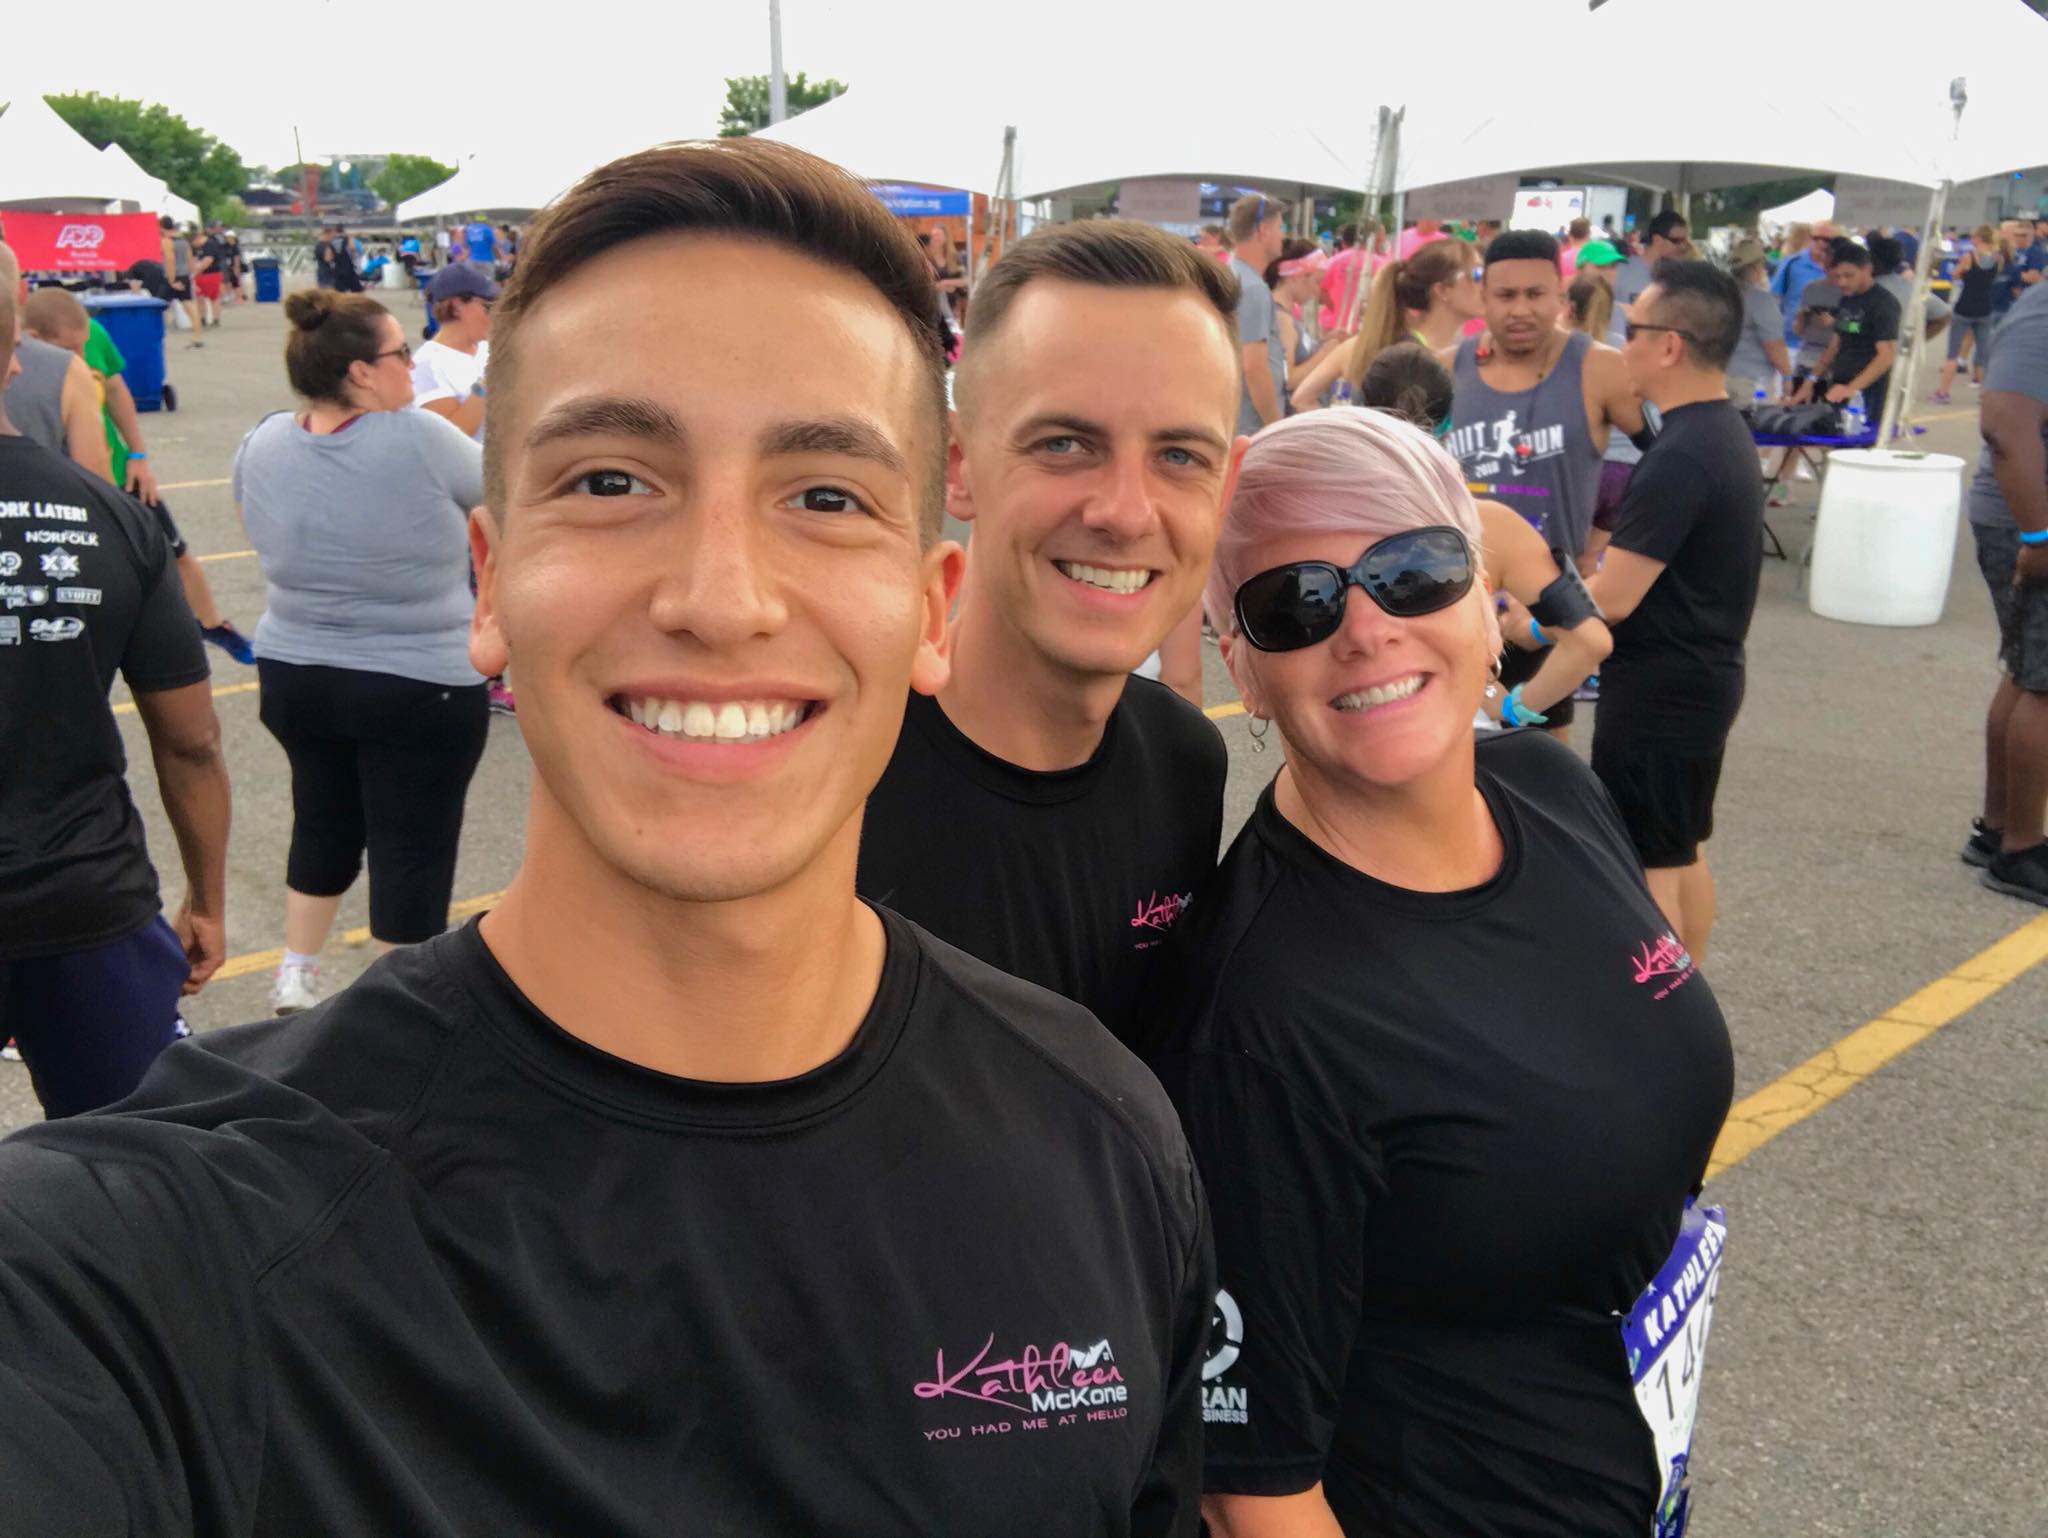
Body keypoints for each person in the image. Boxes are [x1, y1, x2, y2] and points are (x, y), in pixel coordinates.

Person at [0, 137, 1212, 1535]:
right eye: (613, 480)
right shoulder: (156, 1268)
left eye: (824, 495)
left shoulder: (1109, 1149)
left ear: (932, 608)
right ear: (494, 578)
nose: (720, 595)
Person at [1145, 406, 1734, 1538]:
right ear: (1244, 674)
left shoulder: (1549, 792)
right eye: (1295, 603)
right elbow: (1251, 1486)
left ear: (1486, 601)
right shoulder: (1261, 1016)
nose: (1364, 628)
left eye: (1411, 568)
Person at [858, 219, 1239, 1047]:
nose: (1125, 512)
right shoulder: (832, 777)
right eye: (1065, 444)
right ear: (955, 464)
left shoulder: (1184, 762)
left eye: (1179, 456)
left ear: (1225, 485)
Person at [0, 281, 232, 1119]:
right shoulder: (113, 519)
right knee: (136, 1175)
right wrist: (206, 900)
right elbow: (191, 740)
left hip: (87, 904)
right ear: (16, 356)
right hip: (86, 896)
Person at [236, 290, 492, 1014]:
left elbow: (249, 518)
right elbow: (505, 500)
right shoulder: (418, 436)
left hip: (295, 668)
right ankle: (398, 1009)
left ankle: (295, 971)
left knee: (321, 815)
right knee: (412, 840)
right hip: (417, 677)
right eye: (399, 354)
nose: (411, 365)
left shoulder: (263, 439)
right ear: (361, 372)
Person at [1588, 260, 1764, 962]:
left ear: (1670, 345)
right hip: (1702, 678)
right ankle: (1687, 988)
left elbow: (1614, 594)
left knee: (1645, 863)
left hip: (1659, 687)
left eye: (1631, 330)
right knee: (1680, 846)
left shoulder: (1680, 453)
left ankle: (1659, 1008)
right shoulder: (1719, 432)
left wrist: (1530, 617)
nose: (1621, 345)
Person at [1445, 229, 1645, 736]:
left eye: (1535, 294)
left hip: (1546, 616)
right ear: (1483, 297)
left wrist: (1609, 548)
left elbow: (1666, 471)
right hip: (1455, 613)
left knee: (1538, 780)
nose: (1520, 309)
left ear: (1561, 295)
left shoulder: (1599, 368)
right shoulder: (1449, 368)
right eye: (1506, 295)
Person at [1359, 340, 1613, 722]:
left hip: (1354, 742)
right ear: (1449, 424)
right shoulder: (1491, 526)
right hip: (1460, 752)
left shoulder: (1320, 526)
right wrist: (1509, 705)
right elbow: (1589, 640)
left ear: (1361, 417)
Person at [19, 284, 255, 665]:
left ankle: (211, 624)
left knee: (174, 553)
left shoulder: (87, 334)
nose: (78, 359)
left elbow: (116, 391)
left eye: (82, 348)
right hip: (67, 493)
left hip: (118, 476)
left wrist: (138, 455)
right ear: (33, 340)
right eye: (67, 351)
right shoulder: (18, 368)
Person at [1962, 279, 2048, 904]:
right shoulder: (2042, 314)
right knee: (2044, 685)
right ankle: (2021, 850)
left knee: (2025, 673)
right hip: (2031, 523)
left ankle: (1998, 832)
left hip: (2029, 521)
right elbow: (2006, 422)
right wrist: (2040, 534)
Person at [1289, 237, 1482, 410]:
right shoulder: (1416, 358)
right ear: (1442, 290)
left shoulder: (1367, 343)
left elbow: (1302, 399)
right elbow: (1301, 399)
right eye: (1477, 275)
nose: (1486, 284)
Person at [1793, 237, 1900, 422]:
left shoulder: (1883, 303)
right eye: (1837, 277)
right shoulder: (1846, 299)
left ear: (1867, 269)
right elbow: (1835, 345)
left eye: (1848, 275)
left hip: (1868, 393)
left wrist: (1852, 389)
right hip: (1838, 385)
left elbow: (1886, 355)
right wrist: (1810, 381)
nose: (1842, 282)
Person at [412, 265, 496, 442]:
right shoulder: (425, 366)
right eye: (488, 307)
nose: (495, 314)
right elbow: (453, 435)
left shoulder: (488, 348)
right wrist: (488, 381)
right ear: (457, 306)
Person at [1227, 193, 1287, 434]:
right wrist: (1275, 429)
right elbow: (1253, 367)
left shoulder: (1232, 274)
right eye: (1280, 227)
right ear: (1263, 231)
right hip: (1252, 427)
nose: (1283, 236)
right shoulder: (1253, 288)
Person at [1937, 224, 2007, 401]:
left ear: (1979, 238)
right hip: (1985, 308)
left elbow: (1954, 275)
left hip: (1965, 307)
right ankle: (1984, 394)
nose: (1971, 239)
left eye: (1974, 236)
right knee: (1982, 354)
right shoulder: (1998, 259)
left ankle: (1943, 392)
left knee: (1953, 352)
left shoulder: (1968, 257)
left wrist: (1962, 273)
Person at [1268, 239, 1340, 406]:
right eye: (1317, 282)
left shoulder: (1287, 314)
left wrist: (1324, 344)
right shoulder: (1282, 319)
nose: (1317, 291)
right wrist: (1326, 353)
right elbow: (1288, 380)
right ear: (1297, 277)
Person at [1724, 237, 1794, 400]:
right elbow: (1774, 345)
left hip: (1718, 375)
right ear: (1756, 267)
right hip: (1752, 381)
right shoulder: (1761, 300)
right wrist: (1787, 377)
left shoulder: (1717, 295)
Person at [1608, 210, 1691, 341]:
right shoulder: (1621, 271)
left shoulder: (1680, 278)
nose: (1683, 247)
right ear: (1657, 240)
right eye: (1677, 241)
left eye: (1685, 241)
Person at [1770, 221, 1835, 347]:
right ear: (1810, 239)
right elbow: (1773, 299)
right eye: (1816, 238)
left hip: (1826, 346)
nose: (1820, 243)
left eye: (1826, 240)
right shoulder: (1792, 263)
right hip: (1790, 343)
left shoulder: (1839, 270)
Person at [159, 216, 203, 345]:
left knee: (160, 306)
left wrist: (171, 280)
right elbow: (190, 259)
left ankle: (159, 335)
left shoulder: (166, 241)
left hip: (173, 276)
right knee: (189, 305)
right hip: (184, 275)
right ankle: (197, 335)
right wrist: (190, 276)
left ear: (162, 227)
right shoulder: (183, 241)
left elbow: (170, 260)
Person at [194, 223, 228, 327]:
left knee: (214, 297)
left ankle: (216, 319)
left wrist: (196, 270)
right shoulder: (193, 245)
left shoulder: (210, 243)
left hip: (211, 273)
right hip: (199, 274)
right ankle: (202, 318)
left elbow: (208, 260)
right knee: (199, 297)